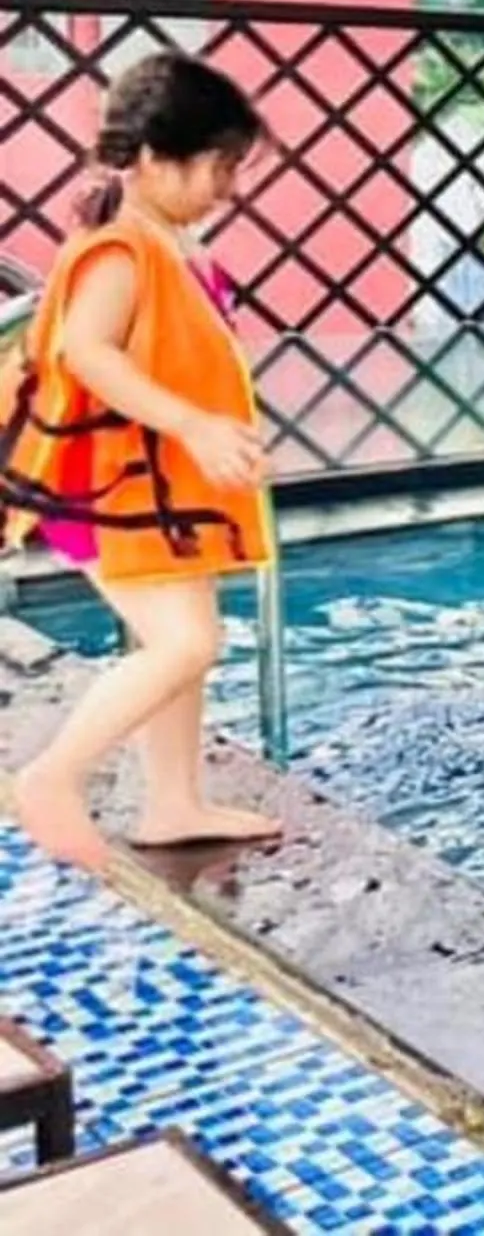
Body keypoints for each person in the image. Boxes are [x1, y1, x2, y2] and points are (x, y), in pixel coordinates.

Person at [2, 53, 274, 872]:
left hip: (154, 495)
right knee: (185, 644)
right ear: (157, 157)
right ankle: (52, 777)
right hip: (110, 494)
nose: (229, 186)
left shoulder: (166, 242)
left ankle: (172, 802)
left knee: (187, 637)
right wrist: (193, 424)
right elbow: (87, 353)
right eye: (219, 165)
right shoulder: (122, 249)